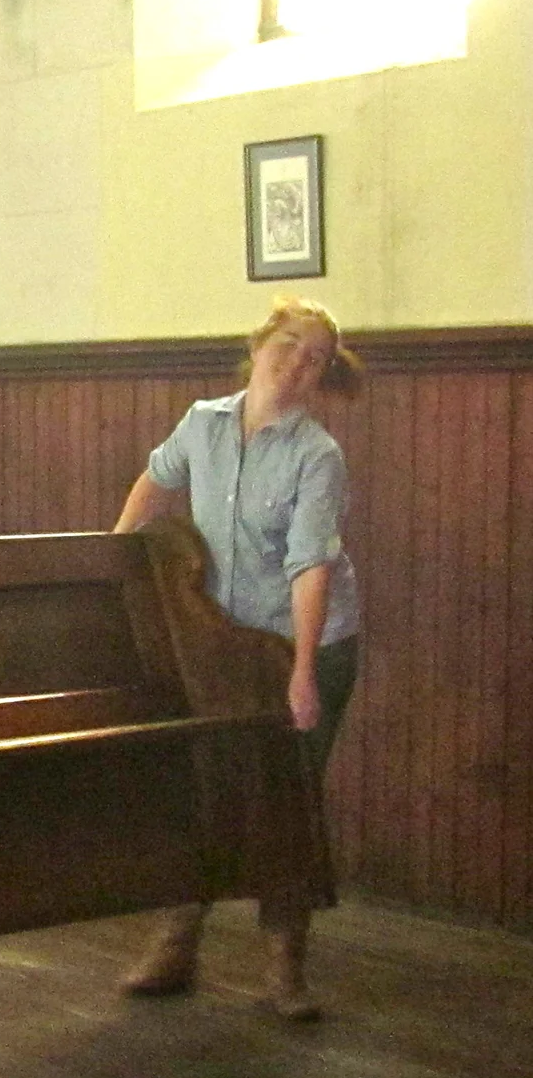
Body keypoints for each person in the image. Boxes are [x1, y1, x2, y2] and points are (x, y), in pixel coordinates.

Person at [111, 296, 362, 1020]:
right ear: (256, 346)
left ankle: (285, 969)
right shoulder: (202, 423)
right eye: (288, 345)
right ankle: (177, 943)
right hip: (223, 640)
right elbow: (156, 479)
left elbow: (310, 566)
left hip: (302, 641)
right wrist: (113, 557)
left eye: (315, 359)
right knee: (203, 784)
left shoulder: (317, 455)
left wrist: (302, 672)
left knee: (287, 799)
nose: (297, 364)